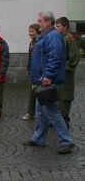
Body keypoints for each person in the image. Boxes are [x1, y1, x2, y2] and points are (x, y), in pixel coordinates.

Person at [23, 11, 74, 154]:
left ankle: (67, 141)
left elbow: (55, 57)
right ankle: (38, 138)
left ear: (48, 22)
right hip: (42, 80)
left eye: (40, 21)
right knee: (41, 111)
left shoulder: (53, 36)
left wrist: (48, 76)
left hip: (48, 81)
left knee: (51, 111)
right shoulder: (46, 37)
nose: (38, 23)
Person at [55, 16, 80, 128]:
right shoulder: (60, 38)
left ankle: (64, 121)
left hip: (66, 75)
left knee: (65, 98)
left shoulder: (69, 39)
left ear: (65, 27)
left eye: (58, 26)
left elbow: (74, 58)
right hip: (58, 75)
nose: (56, 28)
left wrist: (64, 69)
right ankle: (57, 120)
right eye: (56, 26)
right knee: (57, 97)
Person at [22, 24, 40, 120]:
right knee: (33, 91)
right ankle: (30, 112)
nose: (30, 33)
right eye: (29, 31)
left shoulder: (41, 42)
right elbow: (30, 57)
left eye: (32, 31)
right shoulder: (32, 43)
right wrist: (28, 68)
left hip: (40, 72)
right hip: (34, 72)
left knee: (43, 92)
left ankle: (44, 114)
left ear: (37, 32)